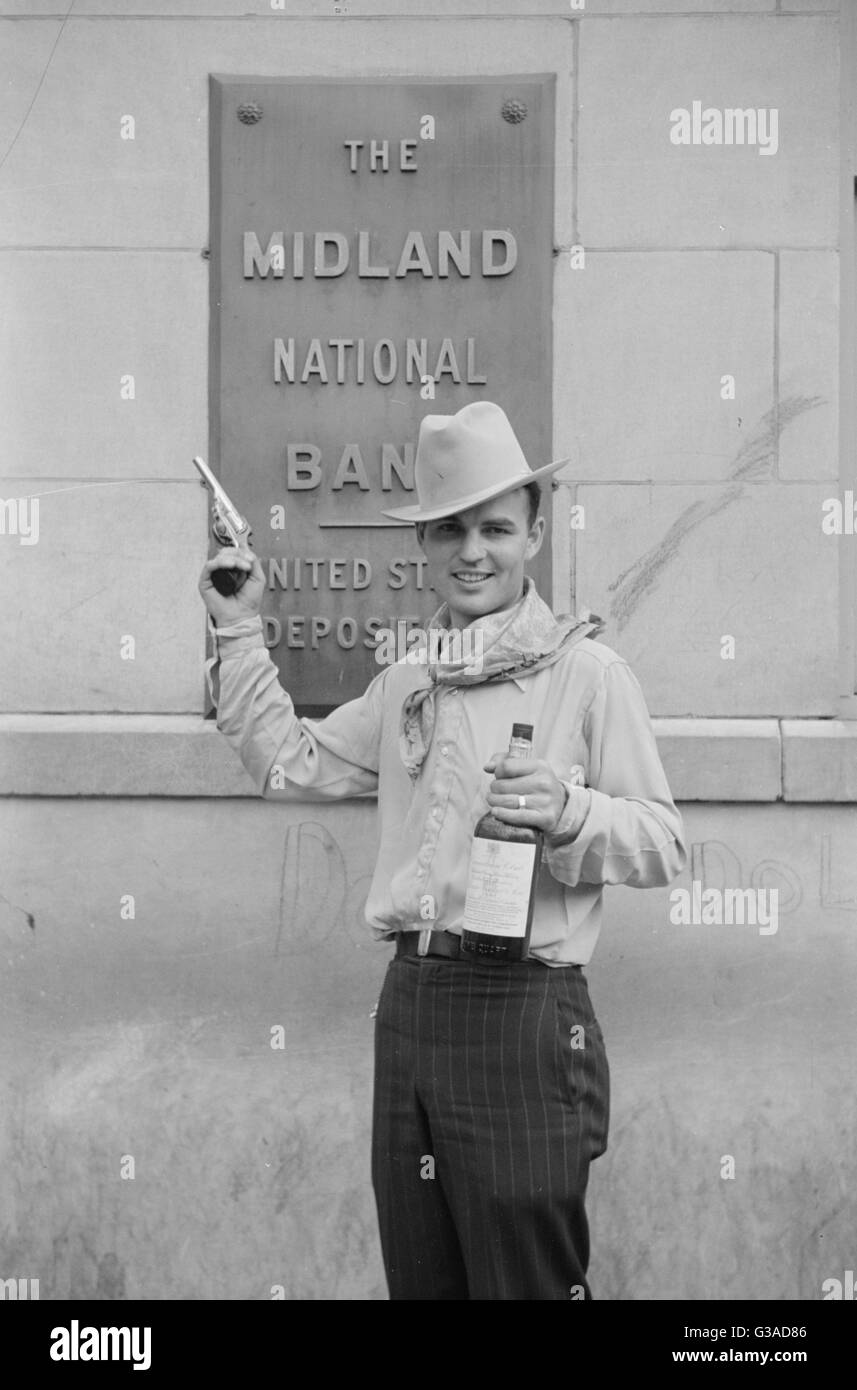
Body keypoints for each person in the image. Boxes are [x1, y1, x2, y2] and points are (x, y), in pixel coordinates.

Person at [199, 399, 686, 1301]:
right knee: (424, 1285)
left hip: (524, 1012)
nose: (473, 551)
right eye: (450, 529)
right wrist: (237, 628)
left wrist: (570, 811)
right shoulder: (409, 681)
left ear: (534, 532)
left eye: (496, 527)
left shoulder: (587, 674)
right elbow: (291, 762)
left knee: (525, 1290)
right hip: (413, 1004)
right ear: (423, 545)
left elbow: (664, 844)